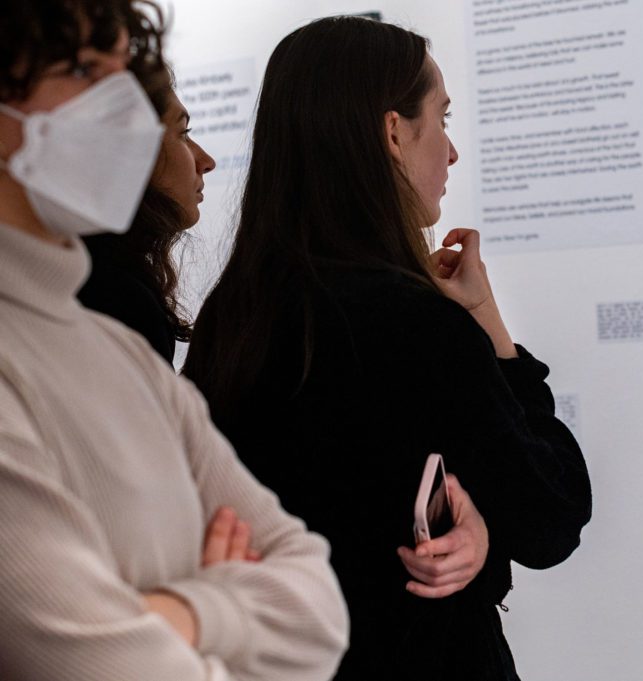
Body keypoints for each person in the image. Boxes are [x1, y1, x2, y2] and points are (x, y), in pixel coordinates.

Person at [183, 16, 593, 680]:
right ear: (393, 132)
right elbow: (550, 515)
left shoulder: (231, 322)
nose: (453, 153)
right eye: (443, 119)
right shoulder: (421, 328)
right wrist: (490, 324)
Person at [0, 2, 349, 679]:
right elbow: (94, 663)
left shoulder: (121, 353)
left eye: (122, 70)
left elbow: (318, 605)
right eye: (80, 70)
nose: (123, 105)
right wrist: (231, 607)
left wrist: (189, 615)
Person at [78, 63, 215, 363]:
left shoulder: (100, 277)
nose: (206, 161)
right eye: (183, 133)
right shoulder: (118, 301)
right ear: (131, 152)